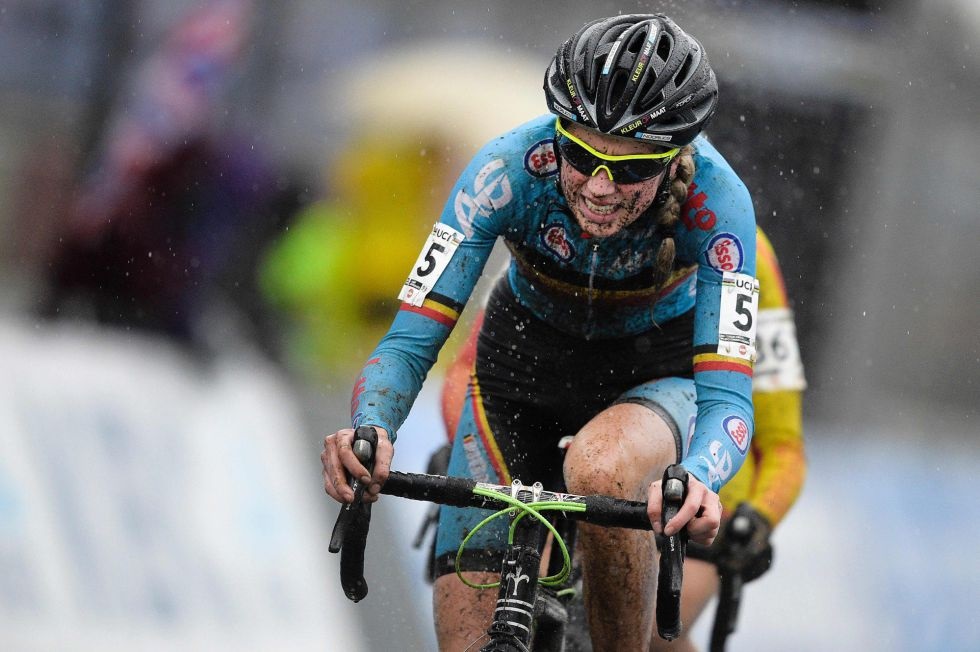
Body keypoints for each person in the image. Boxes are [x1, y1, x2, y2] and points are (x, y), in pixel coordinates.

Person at [322, 14, 762, 650]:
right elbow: (410, 342)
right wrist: (371, 428)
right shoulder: (504, 170)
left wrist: (698, 474)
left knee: (602, 467)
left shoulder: (720, 205)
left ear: (674, 159)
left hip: (651, 378)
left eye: (631, 169)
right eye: (581, 156)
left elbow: (728, 402)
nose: (600, 187)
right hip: (521, 369)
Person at [437, 228, 807, 650]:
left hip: (685, 476)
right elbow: (470, 372)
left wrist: (759, 517)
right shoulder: (564, 221)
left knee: (654, 630)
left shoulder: (737, 248)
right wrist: (470, 449)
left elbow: (783, 444)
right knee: (515, 592)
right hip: (562, 456)